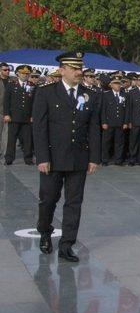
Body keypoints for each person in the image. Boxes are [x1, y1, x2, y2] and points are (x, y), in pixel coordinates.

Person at [32, 52, 100, 262]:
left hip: (79, 157)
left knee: (74, 203)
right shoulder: (46, 93)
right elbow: (39, 128)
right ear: (62, 70)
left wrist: (94, 157)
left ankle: (67, 244)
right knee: (48, 199)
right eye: (74, 68)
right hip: (52, 157)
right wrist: (42, 157)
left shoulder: (90, 94)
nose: (79, 72)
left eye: (80, 68)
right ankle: (45, 231)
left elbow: (94, 128)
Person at [4, 64, 35, 165]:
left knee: (27, 139)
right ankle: (9, 158)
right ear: (18, 74)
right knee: (11, 139)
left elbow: (34, 102)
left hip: (27, 117)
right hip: (14, 117)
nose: (25, 75)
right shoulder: (12, 84)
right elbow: (6, 101)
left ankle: (28, 158)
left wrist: (33, 115)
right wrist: (6, 114)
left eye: (27, 73)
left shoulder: (32, 85)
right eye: (23, 73)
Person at [100, 75, 127, 166]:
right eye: (115, 84)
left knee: (119, 143)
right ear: (111, 85)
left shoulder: (124, 95)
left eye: (119, 84)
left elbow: (127, 110)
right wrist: (103, 122)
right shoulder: (106, 95)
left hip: (120, 122)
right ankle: (105, 160)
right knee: (106, 142)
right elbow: (103, 109)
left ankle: (118, 160)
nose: (117, 86)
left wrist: (125, 122)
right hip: (109, 122)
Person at [0, 62, 10, 160]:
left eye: (8, 70)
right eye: (5, 70)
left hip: (8, 111)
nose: (7, 71)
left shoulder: (12, 81)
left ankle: (5, 153)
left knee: (6, 133)